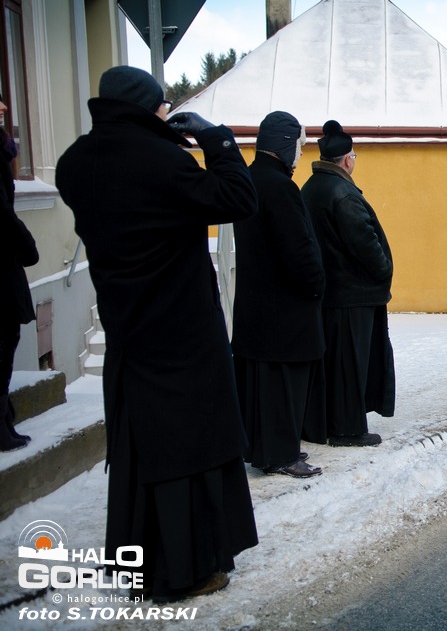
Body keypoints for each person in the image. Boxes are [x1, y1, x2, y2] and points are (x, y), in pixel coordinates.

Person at [55, 65, 258, 602]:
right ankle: (188, 568)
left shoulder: (74, 163)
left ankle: (140, 562)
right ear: (150, 108)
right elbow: (239, 200)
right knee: (190, 450)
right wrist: (215, 141)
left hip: (128, 328)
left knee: (143, 450)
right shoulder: (163, 161)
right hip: (182, 329)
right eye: (164, 107)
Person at [232, 112, 325, 478]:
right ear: (284, 145)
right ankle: (282, 454)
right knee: (285, 385)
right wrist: (315, 283)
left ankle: (267, 448)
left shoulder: (250, 179)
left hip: (256, 305)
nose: (300, 154)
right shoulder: (280, 186)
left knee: (263, 384)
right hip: (285, 307)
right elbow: (297, 249)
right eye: (298, 146)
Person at [301, 120, 395, 446]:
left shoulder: (312, 187)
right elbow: (365, 243)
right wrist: (384, 269)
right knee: (352, 365)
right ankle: (348, 429)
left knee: (334, 363)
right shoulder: (342, 193)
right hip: (353, 293)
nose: (354, 161)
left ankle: (330, 423)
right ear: (346, 160)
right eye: (353, 156)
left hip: (330, 292)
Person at [1, 93, 37, 452]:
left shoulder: (3, 148)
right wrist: (27, 246)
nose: (3, 108)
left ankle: (4, 418)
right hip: (2, 263)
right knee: (2, 340)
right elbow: (2, 212)